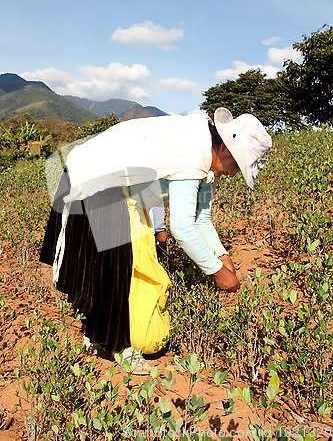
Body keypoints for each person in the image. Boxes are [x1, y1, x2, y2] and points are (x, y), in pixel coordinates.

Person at [40, 107, 272, 374]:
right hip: (97, 181)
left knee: (114, 266)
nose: (233, 174)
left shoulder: (204, 158)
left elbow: (201, 218)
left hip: (109, 183)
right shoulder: (194, 154)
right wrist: (217, 272)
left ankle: (96, 335)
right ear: (223, 150)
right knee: (119, 268)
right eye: (236, 165)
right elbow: (183, 227)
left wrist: (221, 254)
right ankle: (119, 345)